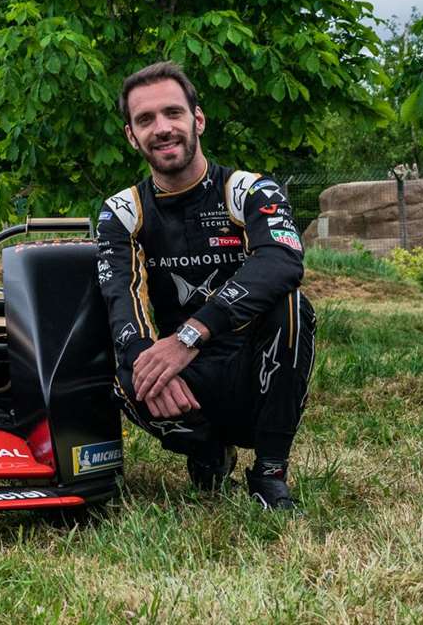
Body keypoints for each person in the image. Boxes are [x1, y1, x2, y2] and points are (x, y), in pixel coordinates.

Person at [95, 61, 315, 510]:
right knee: (116, 365)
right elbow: (120, 299)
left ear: (198, 119)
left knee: (292, 305)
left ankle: (270, 473)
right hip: (180, 374)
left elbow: (281, 262)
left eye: (173, 113)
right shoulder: (120, 211)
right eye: (145, 120)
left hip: (250, 363)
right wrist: (145, 360)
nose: (162, 128)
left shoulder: (251, 190)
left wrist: (192, 334)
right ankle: (207, 452)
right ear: (131, 136)